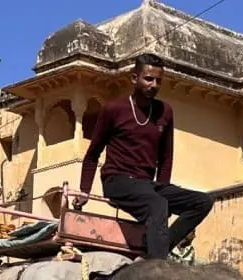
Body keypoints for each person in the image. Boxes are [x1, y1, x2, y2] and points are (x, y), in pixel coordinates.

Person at [78, 53, 215, 260]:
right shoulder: (114, 109)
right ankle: (157, 266)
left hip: (148, 184)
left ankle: (159, 248)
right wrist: (84, 191)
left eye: (158, 81)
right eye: (148, 79)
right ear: (134, 78)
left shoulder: (165, 112)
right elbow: (93, 154)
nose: (153, 85)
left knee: (202, 202)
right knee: (157, 204)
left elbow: (166, 157)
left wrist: (164, 190)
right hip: (118, 180)